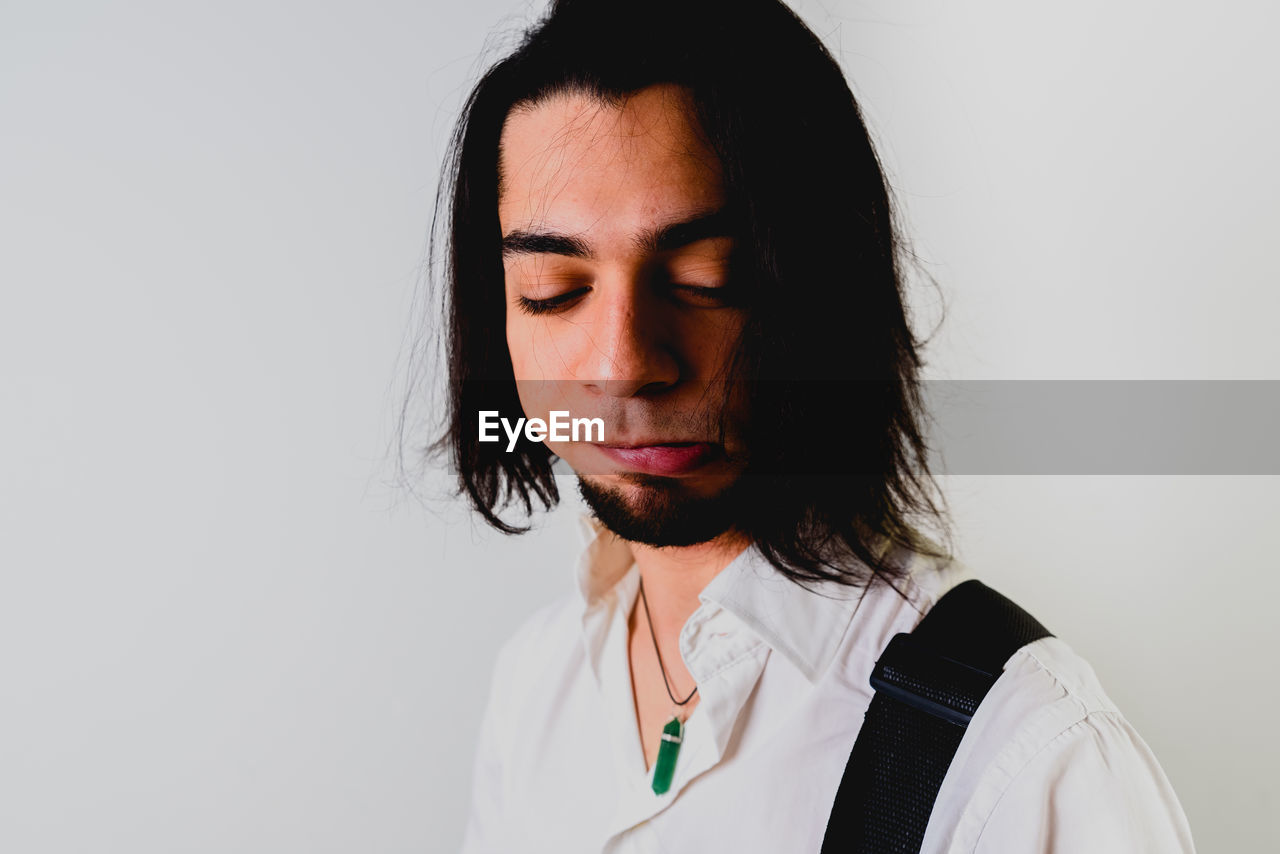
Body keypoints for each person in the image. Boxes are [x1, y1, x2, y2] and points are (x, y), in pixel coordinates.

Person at [429, 1, 1197, 850]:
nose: (622, 364)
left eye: (703, 276)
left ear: (824, 291)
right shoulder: (537, 684)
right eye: (553, 290)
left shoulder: (1023, 754)